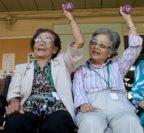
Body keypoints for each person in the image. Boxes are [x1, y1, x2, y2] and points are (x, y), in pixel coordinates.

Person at [4, 4, 84, 133]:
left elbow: (79, 42)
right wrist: (14, 101)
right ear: (33, 46)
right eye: (38, 40)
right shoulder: (21, 68)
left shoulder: (63, 62)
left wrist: (70, 18)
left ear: (55, 49)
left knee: (56, 125)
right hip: (29, 108)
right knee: (14, 123)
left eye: (47, 40)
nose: (41, 42)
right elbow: (13, 92)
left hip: (58, 109)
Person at [72, 6, 143, 133]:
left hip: (119, 107)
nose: (96, 47)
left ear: (110, 52)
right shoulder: (81, 70)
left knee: (129, 120)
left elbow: (135, 48)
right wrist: (83, 104)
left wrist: (128, 19)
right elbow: (78, 91)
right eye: (93, 42)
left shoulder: (117, 66)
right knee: (90, 121)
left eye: (102, 45)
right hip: (92, 107)